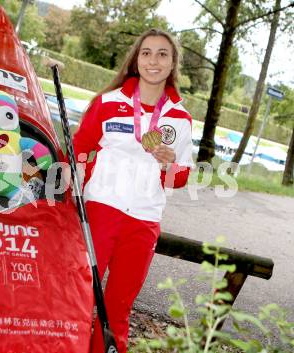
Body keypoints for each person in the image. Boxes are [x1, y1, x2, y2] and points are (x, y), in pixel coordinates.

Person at [73, 29, 193, 353]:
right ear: (136, 59)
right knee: (79, 296)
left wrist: (170, 166)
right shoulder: (108, 102)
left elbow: (180, 177)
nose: (153, 60)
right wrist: (72, 194)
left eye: (162, 54)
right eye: (146, 53)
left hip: (143, 220)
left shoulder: (180, 118)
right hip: (101, 210)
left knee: (118, 307)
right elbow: (79, 150)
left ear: (172, 64)